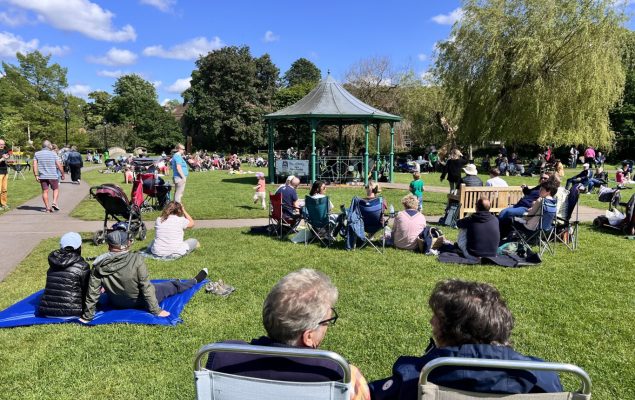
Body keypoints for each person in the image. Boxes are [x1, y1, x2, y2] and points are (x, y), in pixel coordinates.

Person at [369, 280, 563, 399]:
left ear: (449, 330)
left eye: (436, 317)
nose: (431, 321)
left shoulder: (417, 378)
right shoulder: (542, 378)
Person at [205, 268, 371, 400]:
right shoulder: (338, 373)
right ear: (308, 337)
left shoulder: (223, 357)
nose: (327, 326)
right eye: (327, 321)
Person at [80, 230, 208, 322]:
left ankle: (181, 282)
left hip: (116, 302)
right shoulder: (137, 260)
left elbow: (93, 292)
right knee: (169, 285)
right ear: (126, 244)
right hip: (141, 302)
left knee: (158, 285)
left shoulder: (98, 264)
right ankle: (194, 281)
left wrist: (87, 316)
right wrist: (156, 310)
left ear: (109, 246)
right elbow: (146, 287)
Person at [38, 232, 90, 317]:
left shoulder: (53, 262)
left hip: (47, 312)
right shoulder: (83, 266)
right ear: (79, 247)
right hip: (73, 312)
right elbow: (86, 291)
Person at [33, 140, 65, 213]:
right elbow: (59, 165)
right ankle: (54, 202)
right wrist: (62, 174)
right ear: (49, 146)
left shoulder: (37, 154)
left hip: (43, 176)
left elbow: (34, 165)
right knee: (56, 189)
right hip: (53, 175)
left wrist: (36, 175)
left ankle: (47, 208)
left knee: (45, 191)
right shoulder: (53, 154)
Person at [0, 139, 9, 210]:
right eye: (1, 144)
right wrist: (2, 159)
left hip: (5, 171)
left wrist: (7, 158)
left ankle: (4, 204)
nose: (2, 146)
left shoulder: (5, 150)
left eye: (3, 144)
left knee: (4, 189)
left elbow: (7, 158)